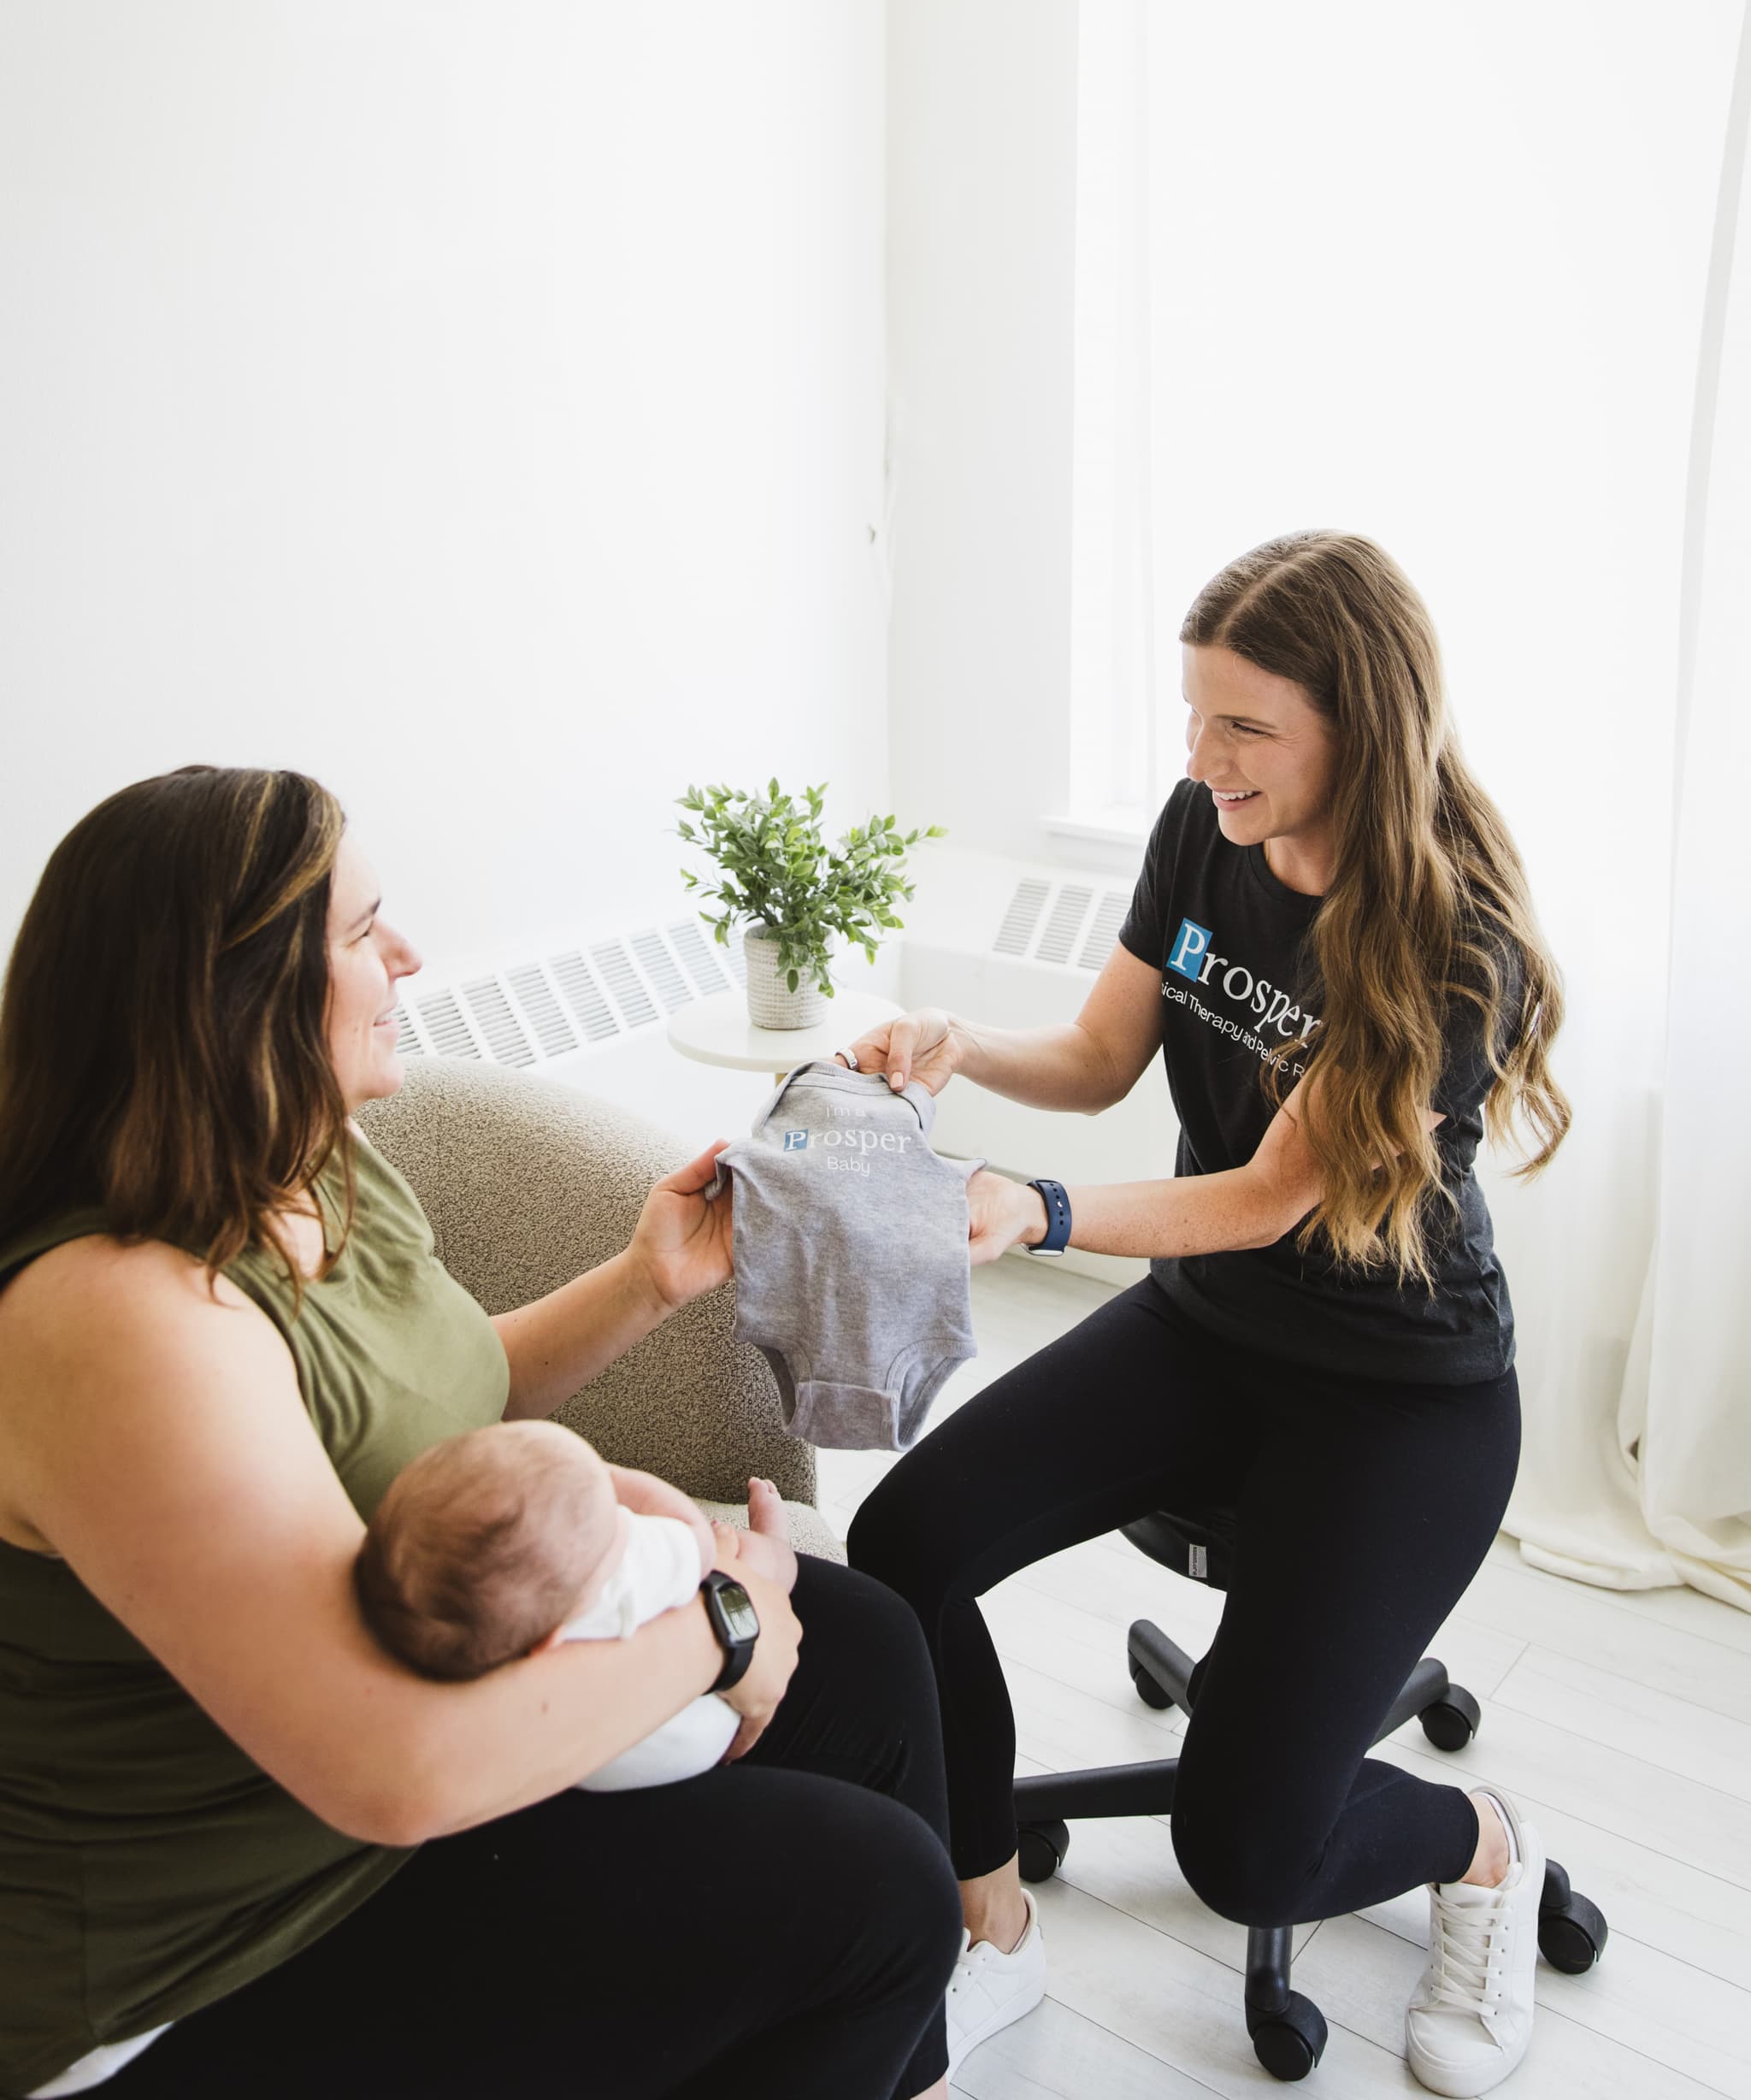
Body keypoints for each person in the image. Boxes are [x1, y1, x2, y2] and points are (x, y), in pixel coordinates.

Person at [0, 766, 962, 2100]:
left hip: (361, 1811)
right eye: (360, 933)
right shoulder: (120, 1317)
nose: (408, 956)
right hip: (203, 1964)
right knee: (873, 1893)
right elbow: (397, 1773)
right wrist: (721, 1629)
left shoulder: (313, 1161)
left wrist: (648, 1280)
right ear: (234, 993)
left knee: (867, 1644)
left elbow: (451, 1393)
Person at [847, 531, 1571, 2098]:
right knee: (906, 1547)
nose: (1201, 757)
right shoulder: (1200, 829)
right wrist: (961, 1041)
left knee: (1244, 1847)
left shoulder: (1449, 938)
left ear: (1357, 727)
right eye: (1192, 715)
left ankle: (1481, 1846)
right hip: (1207, 1333)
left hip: (1399, 1394)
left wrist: (1036, 1209)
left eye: (1242, 725)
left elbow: (1265, 1192)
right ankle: (991, 1924)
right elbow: (1108, 1056)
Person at [356, 1422, 799, 1793]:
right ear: (549, 1640)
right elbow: (695, 1536)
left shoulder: (490, 1625)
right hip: (708, 1720)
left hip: (604, 1766)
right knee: (754, 1560)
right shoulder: (617, 1584)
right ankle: (776, 1541)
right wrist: (606, 1480)